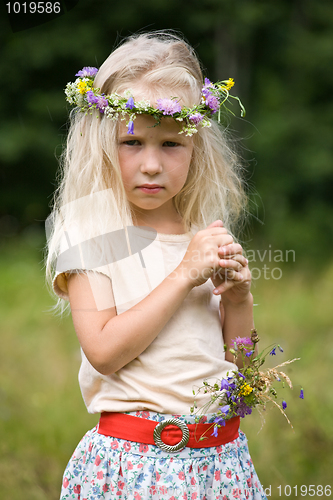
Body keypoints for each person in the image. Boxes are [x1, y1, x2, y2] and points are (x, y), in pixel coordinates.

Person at [46, 31, 267, 500]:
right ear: (102, 141)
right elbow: (103, 352)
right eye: (132, 143)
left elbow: (241, 379)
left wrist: (240, 300)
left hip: (220, 463)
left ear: (197, 148)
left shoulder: (201, 232)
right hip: (136, 465)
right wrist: (185, 274)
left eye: (171, 144)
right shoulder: (89, 231)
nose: (151, 164)